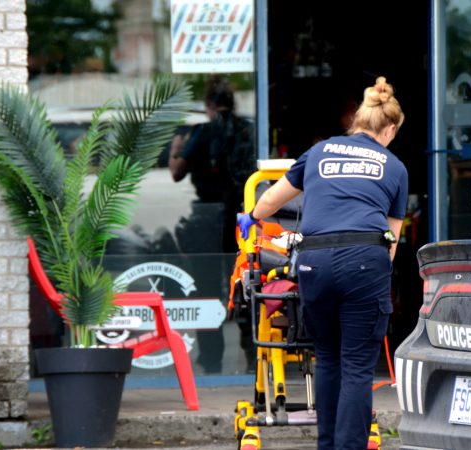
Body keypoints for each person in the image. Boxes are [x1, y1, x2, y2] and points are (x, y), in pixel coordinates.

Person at [238, 77, 407, 450]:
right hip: (365, 259)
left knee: (328, 358)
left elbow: (268, 203)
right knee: (358, 367)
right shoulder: (395, 167)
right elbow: (391, 242)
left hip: (314, 260)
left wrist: (250, 216)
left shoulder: (319, 152)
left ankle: (327, 445)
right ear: (389, 128)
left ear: (356, 121)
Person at [169, 77, 255, 253]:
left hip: (208, 212)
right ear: (233, 103)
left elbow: (177, 173)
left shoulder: (203, 131)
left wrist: (175, 149)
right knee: (239, 265)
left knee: (208, 268)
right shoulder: (249, 129)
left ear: (208, 104)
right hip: (243, 211)